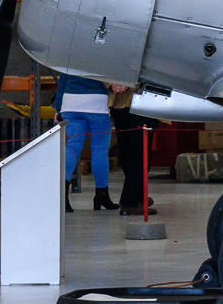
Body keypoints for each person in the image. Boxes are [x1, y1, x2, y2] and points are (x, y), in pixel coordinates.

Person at [55, 73, 119, 212]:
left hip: (71, 102)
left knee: (72, 147)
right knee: (100, 150)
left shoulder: (70, 51)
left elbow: (63, 79)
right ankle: (102, 196)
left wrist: (58, 108)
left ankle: (62, 198)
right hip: (99, 102)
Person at [109, 84, 157, 216]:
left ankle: (138, 197)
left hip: (120, 100)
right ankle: (129, 201)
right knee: (139, 153)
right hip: (144, 99)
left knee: (128, 152)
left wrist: (112, 84)